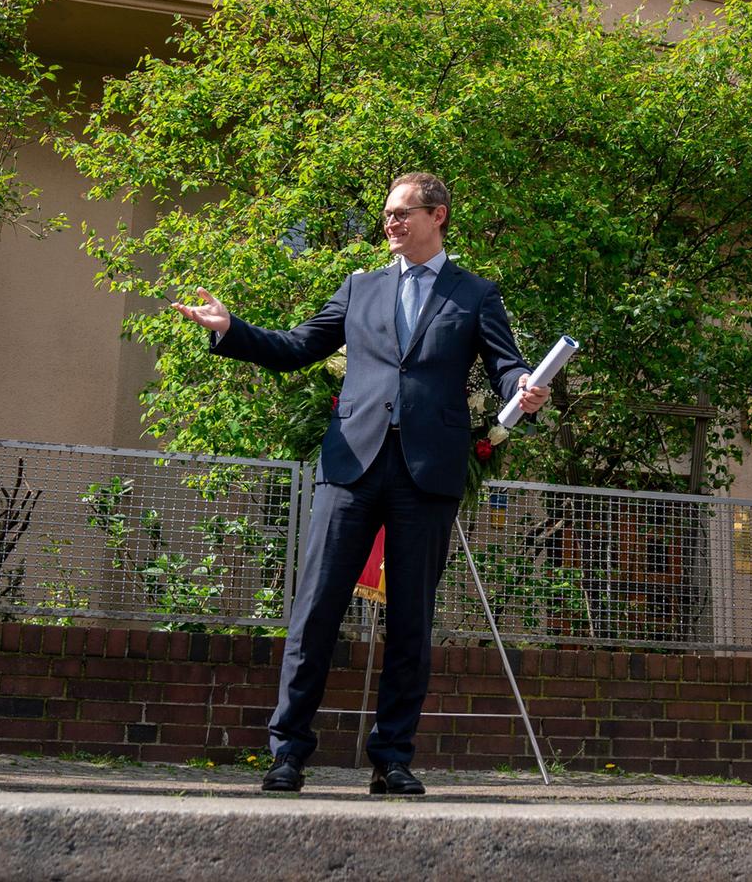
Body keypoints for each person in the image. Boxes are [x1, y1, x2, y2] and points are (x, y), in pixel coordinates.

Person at [174, 172, 548, 796]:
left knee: (410, 622)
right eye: (387, 215)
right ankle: (288, 753)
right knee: (315, 608)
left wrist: (522, 390)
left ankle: (392, 758)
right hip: (351, 465)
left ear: (439, 217)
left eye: (403, 213)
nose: (391, 224)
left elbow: (506, 365)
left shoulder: (475, 293)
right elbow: (298, 346)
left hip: (427, 474)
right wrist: (229, 329)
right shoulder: (361, 287)